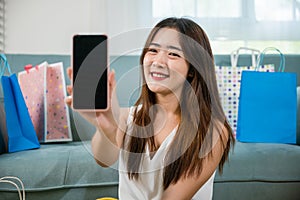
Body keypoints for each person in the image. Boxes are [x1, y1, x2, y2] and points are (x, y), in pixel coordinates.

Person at [66, 17, 235, 200]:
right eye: (153, 50)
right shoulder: (127, 117)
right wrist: (106, 127)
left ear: (193, 69)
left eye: (173, 54)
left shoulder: (212, 131)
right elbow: (104, 159)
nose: (158, 61)